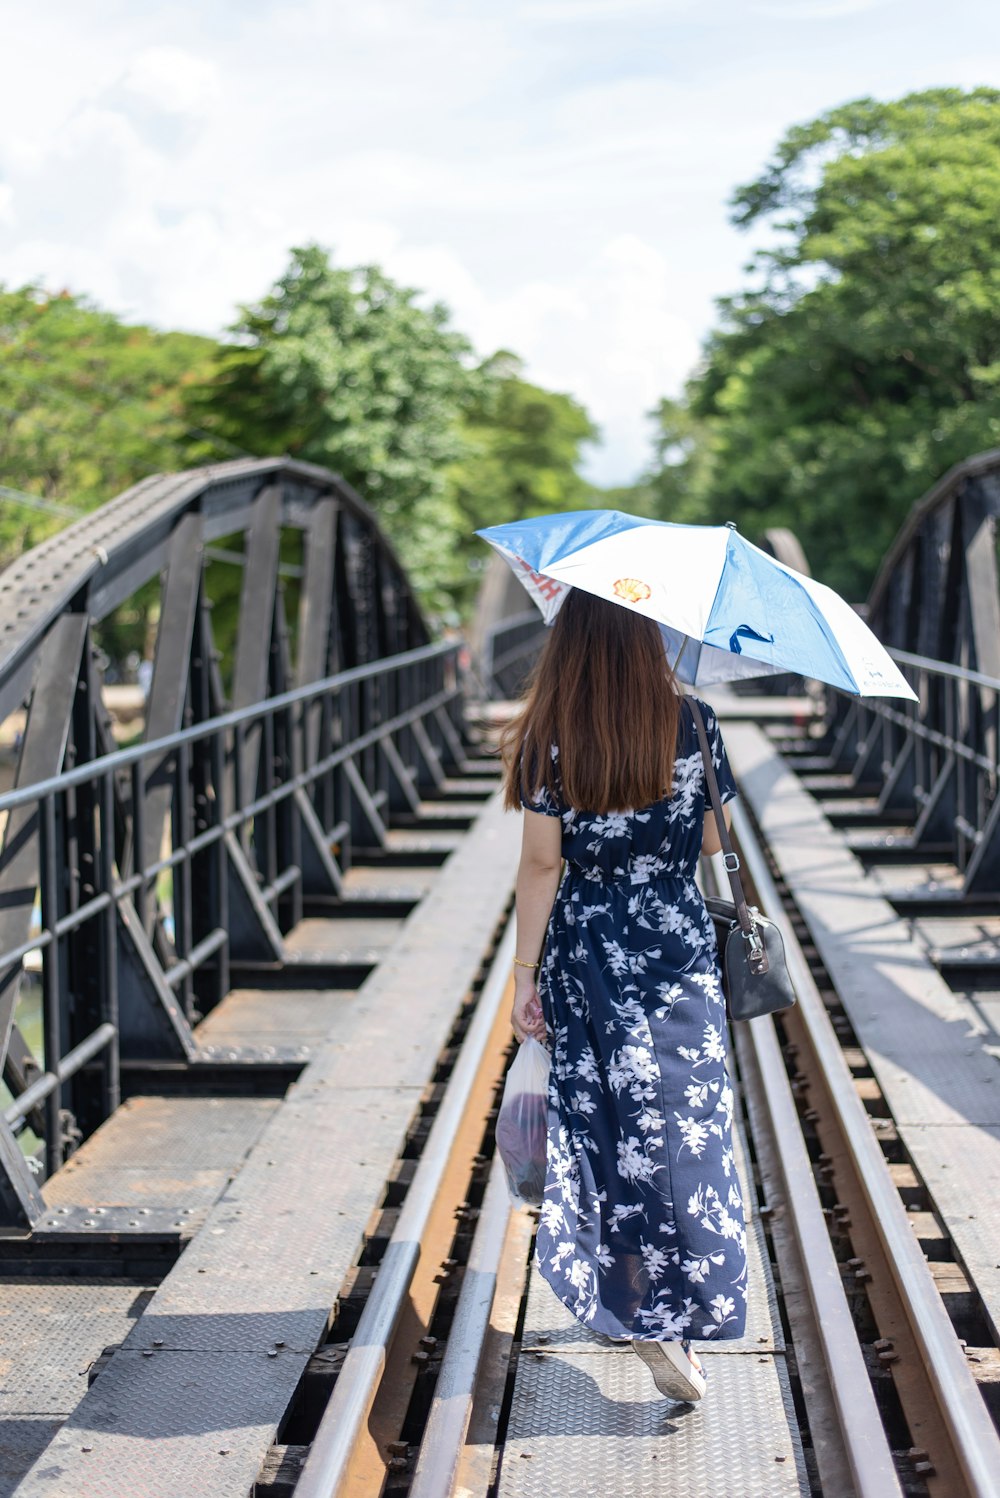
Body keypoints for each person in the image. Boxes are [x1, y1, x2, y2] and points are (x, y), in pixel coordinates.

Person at [500, 588, 748, 1403]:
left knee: (608, 1126)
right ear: (647, 635)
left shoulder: (549, 734)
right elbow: (712, 840)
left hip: (587, 947)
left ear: (569, 639)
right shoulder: (693, 722)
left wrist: (523, 976)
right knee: (684, 1118)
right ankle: (686, 1310)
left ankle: (639, 1304)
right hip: (674, 942)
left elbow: (543, 866)